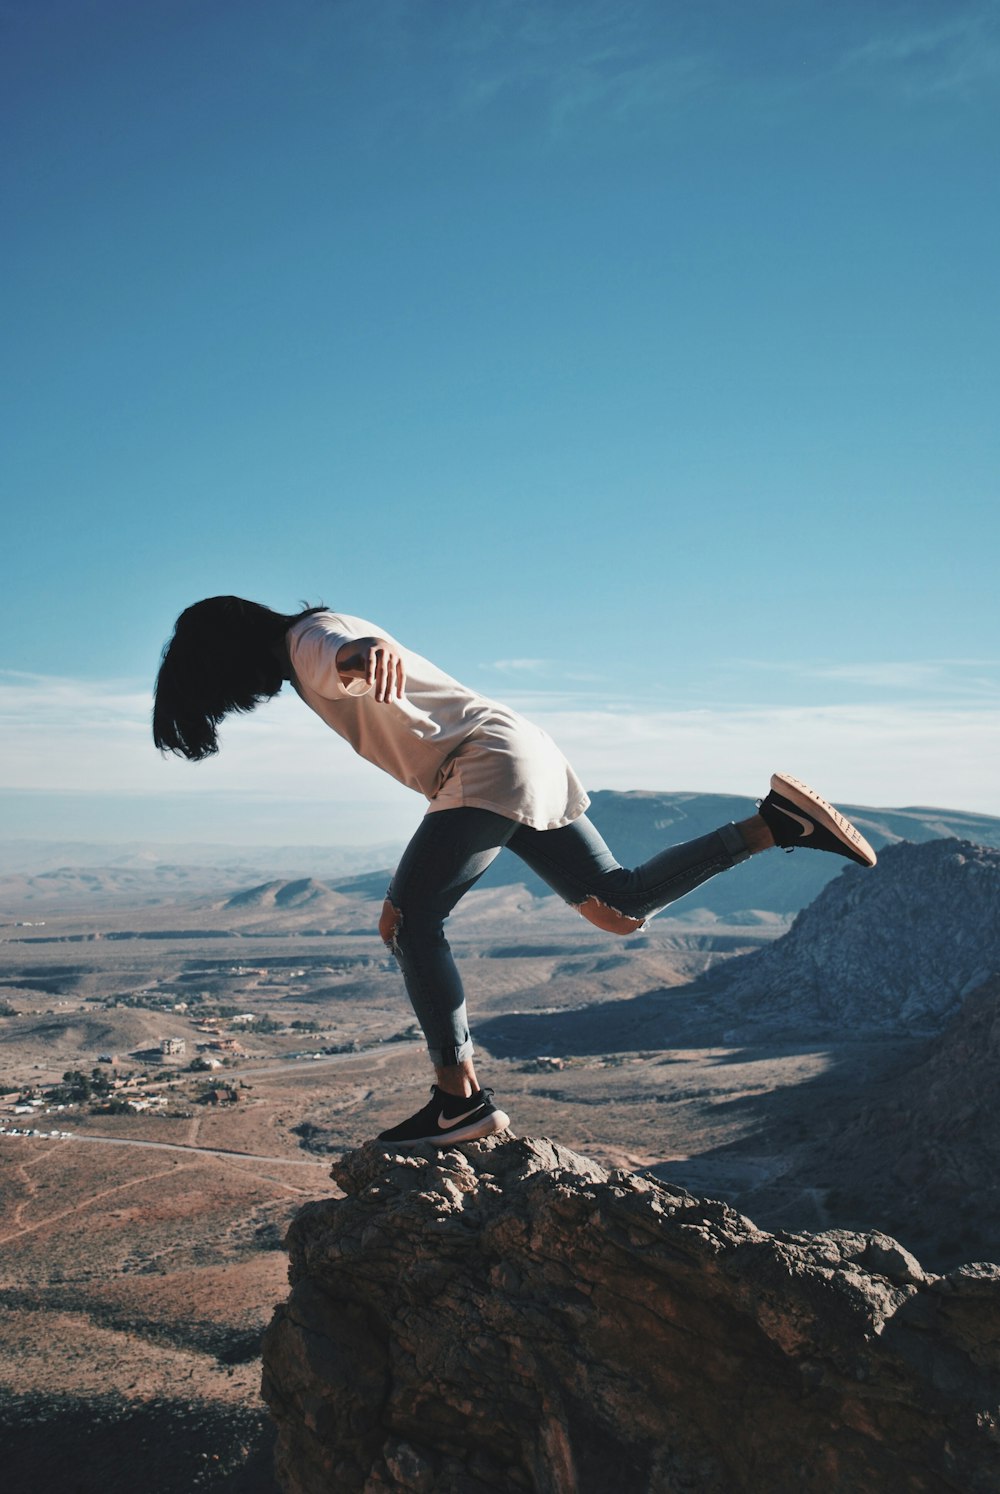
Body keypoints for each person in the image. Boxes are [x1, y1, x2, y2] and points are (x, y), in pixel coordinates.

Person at [153, 596, 877, 1148]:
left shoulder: (306, 640)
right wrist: (363, 649)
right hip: (514, 745)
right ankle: (774, 824)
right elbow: (350, 643)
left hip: (480, 760)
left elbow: (349, 651)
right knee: (615, 908)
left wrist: (365, 655)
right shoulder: (315, 630)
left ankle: (458, 1099)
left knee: (408, 923)